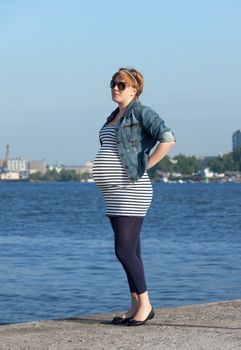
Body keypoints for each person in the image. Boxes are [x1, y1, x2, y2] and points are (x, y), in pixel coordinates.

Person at [92, 67, 176, 326]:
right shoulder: (114, 116)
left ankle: (146, 304)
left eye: (121, 84)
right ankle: (136, 305)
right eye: (113, 84)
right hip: (113, 194)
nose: (115, 88)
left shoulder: (141, 112)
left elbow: (168, 138)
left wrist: (146, 165)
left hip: (132, 189)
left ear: (134, 89)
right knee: (132, 251)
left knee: (123, 250)